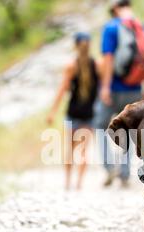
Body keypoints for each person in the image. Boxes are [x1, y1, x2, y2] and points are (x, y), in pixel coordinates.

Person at [94, 0, 144, 188]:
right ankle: (125, 173)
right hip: (136, 89)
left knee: (100, 126)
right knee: (128, 130)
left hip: (113, 88)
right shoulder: (143, 28)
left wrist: (105, 87)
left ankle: (110, 167)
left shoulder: (111, 28)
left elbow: (108, 59)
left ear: (113, 9)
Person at [47, 32, 100, 190]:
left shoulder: (71, 66)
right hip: (89, 114)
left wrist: (52, 112)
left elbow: (62, 90)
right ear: (89, 45)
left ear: (75, 46)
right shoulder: (96, 65)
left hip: (73, 113)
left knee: (69, 150)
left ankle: (68, 183)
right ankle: (79, 184)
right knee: (84, 151)